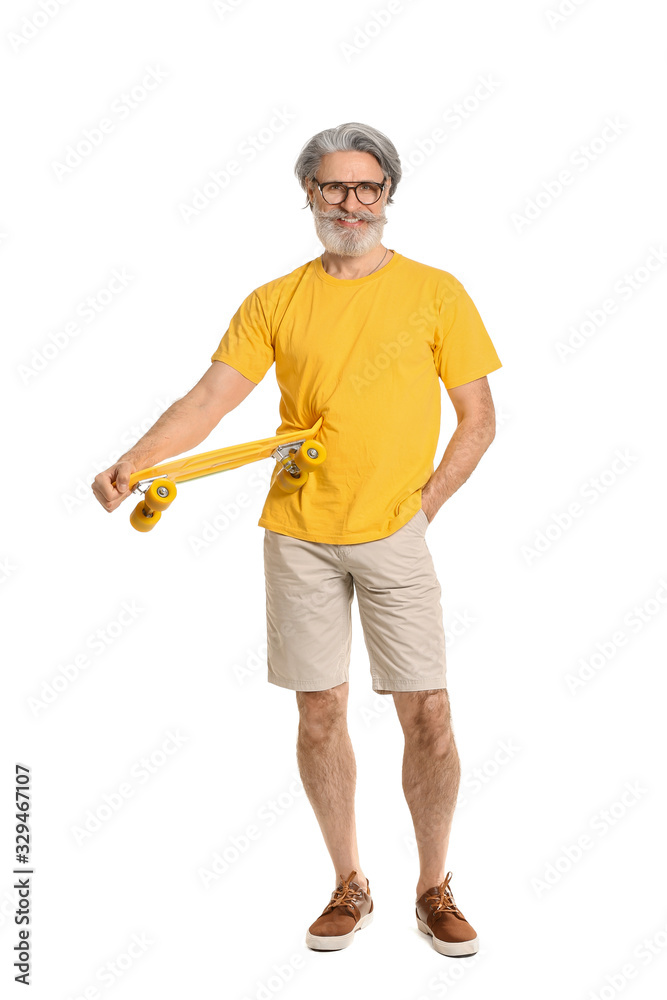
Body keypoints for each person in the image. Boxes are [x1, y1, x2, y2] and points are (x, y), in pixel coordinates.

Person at [92, 122, 502, 958]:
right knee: (320, 714)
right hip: (299, 533)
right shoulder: (275, 299)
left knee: (428, 713)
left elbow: (478, 419)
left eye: (365, 188)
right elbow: (211, 399)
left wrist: (423, 506)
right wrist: (137, 457)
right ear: (309, 196)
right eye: (332, 187)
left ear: (388, 196)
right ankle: (349, 883)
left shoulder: (436, 292)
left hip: (394, 531)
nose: (349, 203)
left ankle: (433, 887)